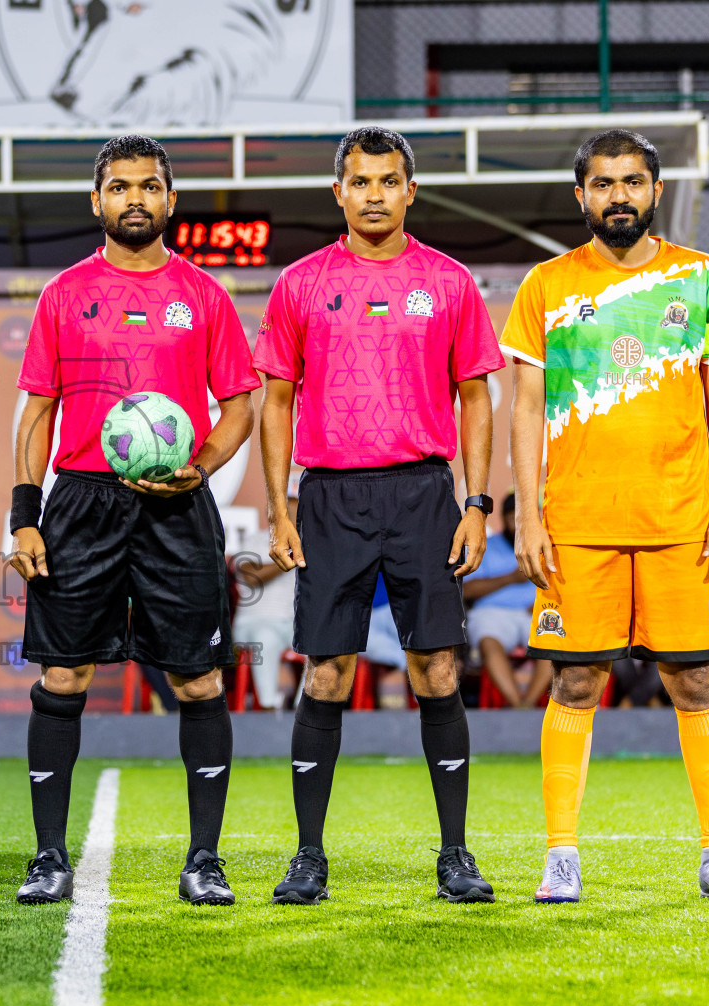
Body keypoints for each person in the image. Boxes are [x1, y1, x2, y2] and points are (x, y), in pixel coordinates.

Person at [505, 129, 709, 902]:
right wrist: (528, 517)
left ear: (655, 191)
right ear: (580, 195)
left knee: (695, 683)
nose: (619, 195)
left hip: (682, 518)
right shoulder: (545, 284)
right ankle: (561, 854)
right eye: (604, 183)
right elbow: (524, 409)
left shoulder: (702, 276)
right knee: (575, 684)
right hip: (576, 523)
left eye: (634, 182)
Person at [256, 127, 503, 906]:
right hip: (330, 497)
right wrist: (281, 506)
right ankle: (307, 857)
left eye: (387, 181)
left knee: (436, 668)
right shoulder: (300, 282)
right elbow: (277, 400)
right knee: (327, 672)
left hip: (425, 495)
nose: (373, 194)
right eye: (359, 182)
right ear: (339, 192)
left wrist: (475, 503)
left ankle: (456, 855)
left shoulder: (449, 281)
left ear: (409, 191)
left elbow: (475, 397)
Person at [9, 134, 258, 906]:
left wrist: (201, 466)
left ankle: (205, 860)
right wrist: (25, 515)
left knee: (196, 676)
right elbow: (37, 413)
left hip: (177, 504)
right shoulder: (62, 294)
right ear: (98, 201)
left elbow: (241, 405)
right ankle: (49, 856)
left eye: (149, 186)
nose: (135, 199)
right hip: (81, 499)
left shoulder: (205, 295)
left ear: (170, 200)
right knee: (64, 673)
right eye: (120, 187)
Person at [463, 493, 551, 708]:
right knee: (489, 644)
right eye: (513, 518)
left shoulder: (544, 545)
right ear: (503, 518)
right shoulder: (486, 546)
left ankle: (528, 704)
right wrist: (510, 578)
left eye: (524, 518)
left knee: (553, 644)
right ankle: (515, 704)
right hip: (493, 613)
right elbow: (466, 589)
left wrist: (541, 602)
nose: (517, 524)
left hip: (536, 612)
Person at [233, 473, 301, 710]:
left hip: (294, 626)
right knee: (266, 637)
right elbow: (253, 577)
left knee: (319, 642)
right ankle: (268, 707)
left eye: (293, 506)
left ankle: (307, 708)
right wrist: (291, 554)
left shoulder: (310, 544)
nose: (289, 513)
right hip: (255, 623)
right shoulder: (255, 540)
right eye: (285, 507)